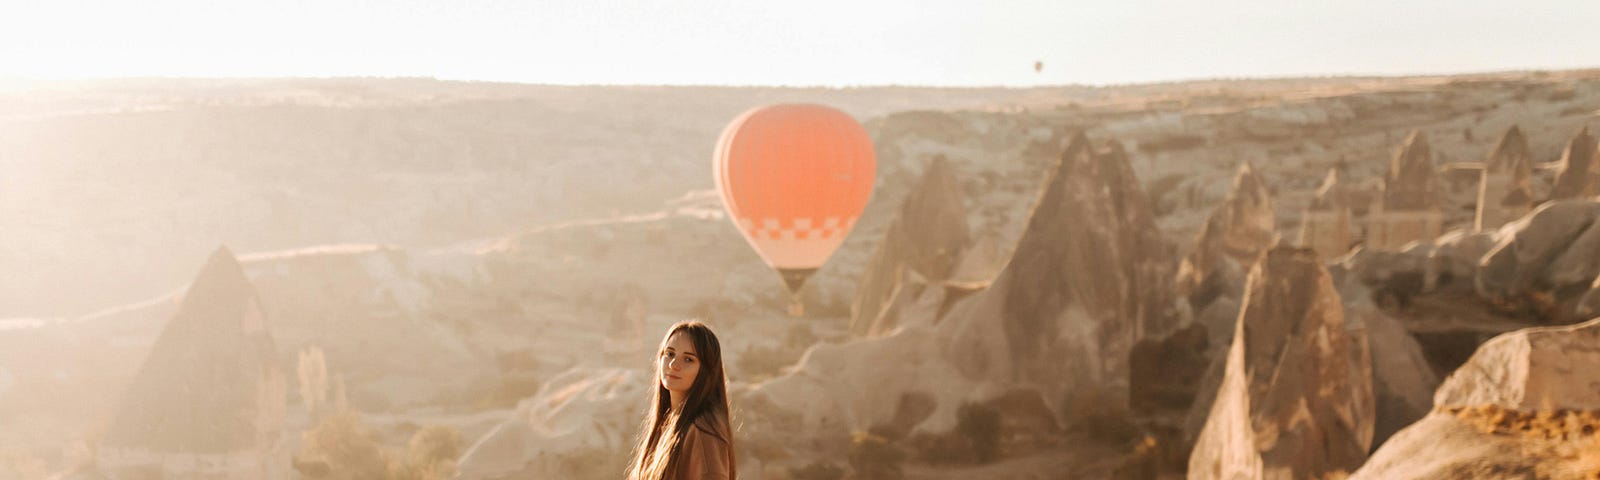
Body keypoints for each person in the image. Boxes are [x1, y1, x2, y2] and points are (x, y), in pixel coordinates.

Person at [627, 320, 736, 480]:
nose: (673, 364)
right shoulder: (667, 423)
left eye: (688, 359)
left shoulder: (703, 431)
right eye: (670, 354)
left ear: (706, 371)